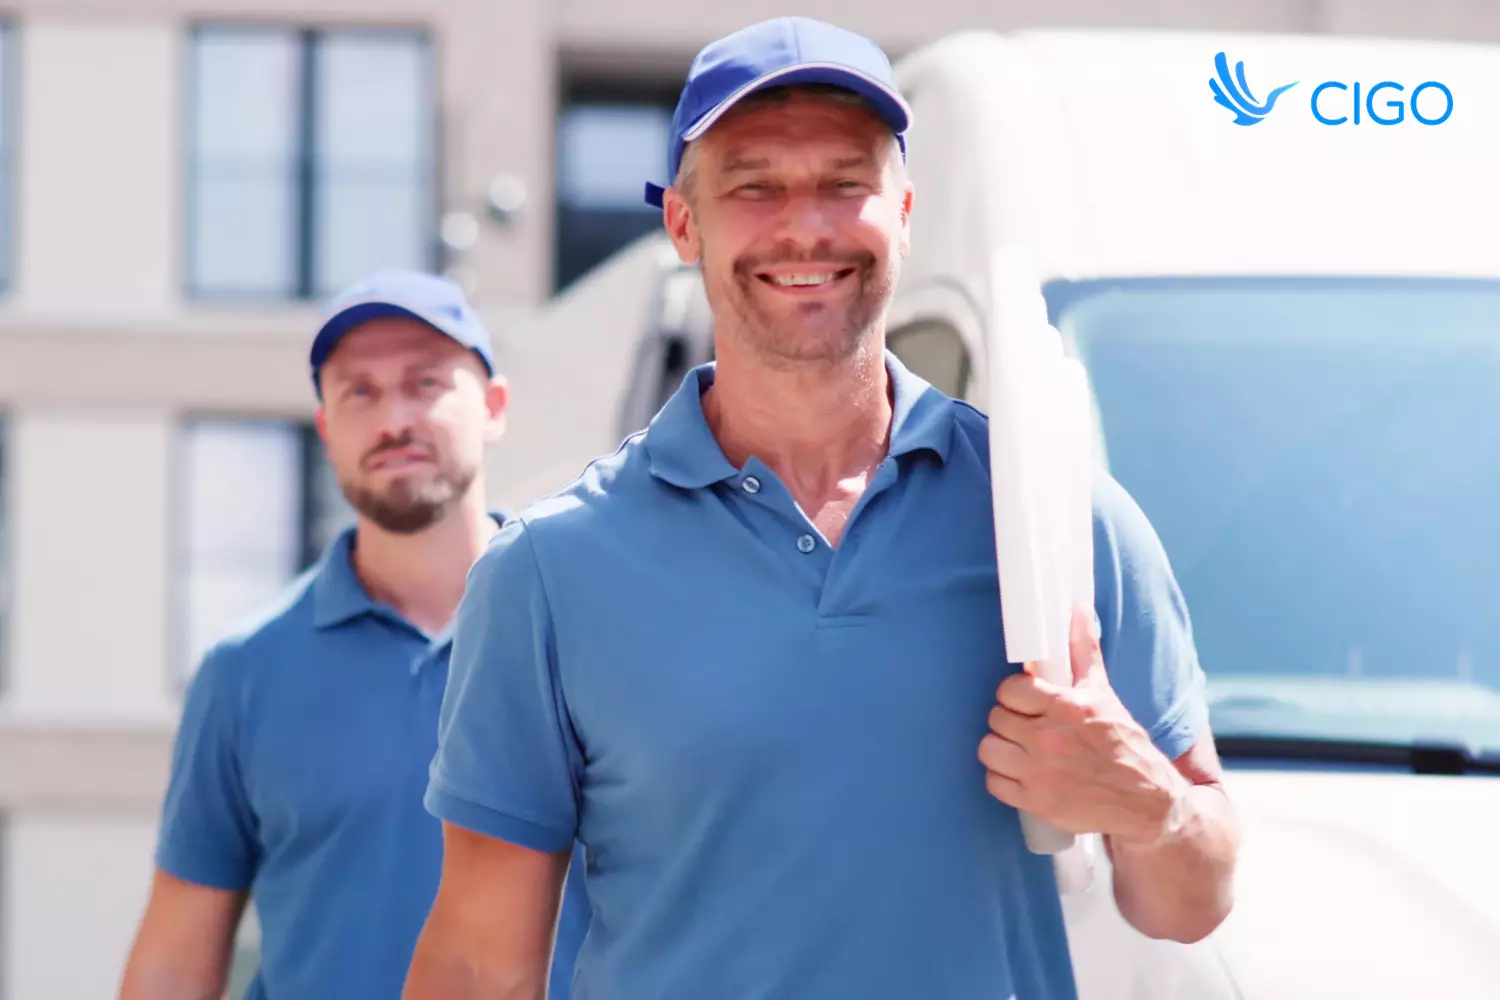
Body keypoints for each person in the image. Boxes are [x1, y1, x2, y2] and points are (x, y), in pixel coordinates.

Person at [405, 16, 1238, 1000]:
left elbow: (1194, 900)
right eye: (754, 185)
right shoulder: (549, 571)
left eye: (846, 182)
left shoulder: (1058, 516)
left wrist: (1147, 803)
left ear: (905, 208)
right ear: (683, 222)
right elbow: (475, 963)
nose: (805, 224)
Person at [118, 271, 589, 1000]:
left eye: (425, 382)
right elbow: (175, 961)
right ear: (328, 428)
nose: (394, 417)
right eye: (359, 392)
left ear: (493, 406)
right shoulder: (246, 671)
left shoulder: (589, 632)